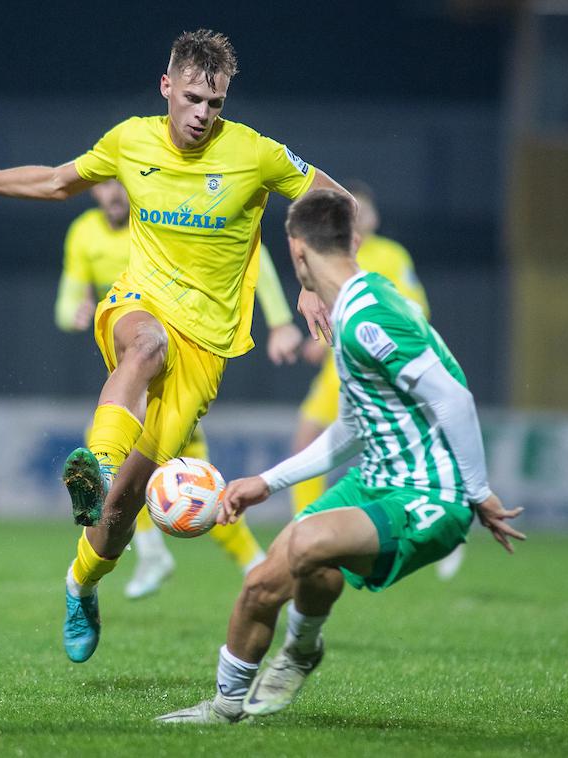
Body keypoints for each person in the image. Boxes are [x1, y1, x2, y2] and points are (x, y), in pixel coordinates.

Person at [0, 29, 350, 664]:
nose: (203, 114)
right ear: (167, 87)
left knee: (117, 518)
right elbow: (57, 181)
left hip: (207, 346)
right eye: (193, 97)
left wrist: (313, 281)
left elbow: (331, 199)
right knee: (143, 346)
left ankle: (80, 581)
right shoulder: (130, 139)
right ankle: (101, 464)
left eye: (216, 103)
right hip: (139, 304)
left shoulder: (254, 154)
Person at [157, 190, 524, 724]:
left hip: (431, 496)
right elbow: (352, 427)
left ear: (297, 252)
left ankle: (298, 650)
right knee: (265, 580)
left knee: (307, 542)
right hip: (376, 481)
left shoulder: (370, 314)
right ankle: (230, 702)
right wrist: (267, 482)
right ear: (352, 240)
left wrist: (478, 492)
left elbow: (453, 397)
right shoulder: (350, 310)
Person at [56, 178, 305, 598]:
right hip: (136, 359)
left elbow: (249, 251)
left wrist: (280, 321)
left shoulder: (160, 218)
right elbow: (66, 300)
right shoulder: (84, 232)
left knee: (187, 488)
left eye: (122, 185)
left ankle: (245, 566)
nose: (115, 194)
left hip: (182, 364)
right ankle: (172, 554)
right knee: (174, 483)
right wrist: (73, 313)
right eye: (105, 186)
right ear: (95, 191)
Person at [290, 181, 466, 580]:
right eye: (351, 210)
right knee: (305, 440)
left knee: (409, 452)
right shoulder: (329, 253)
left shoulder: (389, 255)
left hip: (379, 364)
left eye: (363, 210)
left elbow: (413, 306)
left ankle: (450, 518)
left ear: (374, 218)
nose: (358, 217)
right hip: (338, 366)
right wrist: (319, 338)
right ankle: (302, 525)